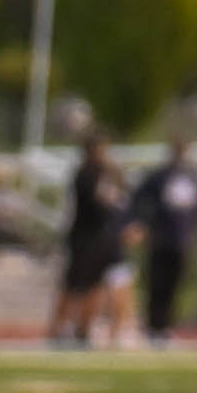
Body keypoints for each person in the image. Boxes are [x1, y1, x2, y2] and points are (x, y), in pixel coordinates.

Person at [130, 138, 197, 343]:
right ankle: (153, 325)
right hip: (160, 239)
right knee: (157, 282)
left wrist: (196, 232)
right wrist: (142, 224)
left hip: (181, 241)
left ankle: (166, 325)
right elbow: (140, 198)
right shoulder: (160, 177)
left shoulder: (193, 178)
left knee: (175, 284)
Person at [54, 138, 129, 348]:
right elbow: (100, 203)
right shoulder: (85, 175)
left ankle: (84, 330)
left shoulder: (107, 175)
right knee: (73, 285)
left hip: (100, 238)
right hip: (83, 238)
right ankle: (60, 329)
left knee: (94, 285)